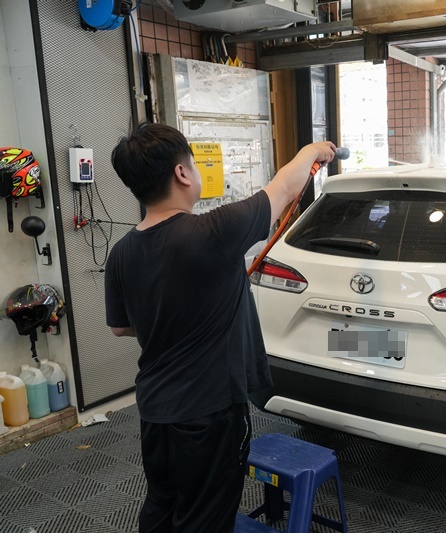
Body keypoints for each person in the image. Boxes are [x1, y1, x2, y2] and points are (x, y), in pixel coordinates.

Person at [105, 122, 336, 533]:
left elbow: (121, 329)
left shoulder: (121, 252)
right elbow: (283, 189)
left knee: (162, 505)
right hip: (208, 416)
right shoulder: (211, 232)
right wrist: (313, 149)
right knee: (205, 519)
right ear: (182, 174)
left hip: (155, 410)